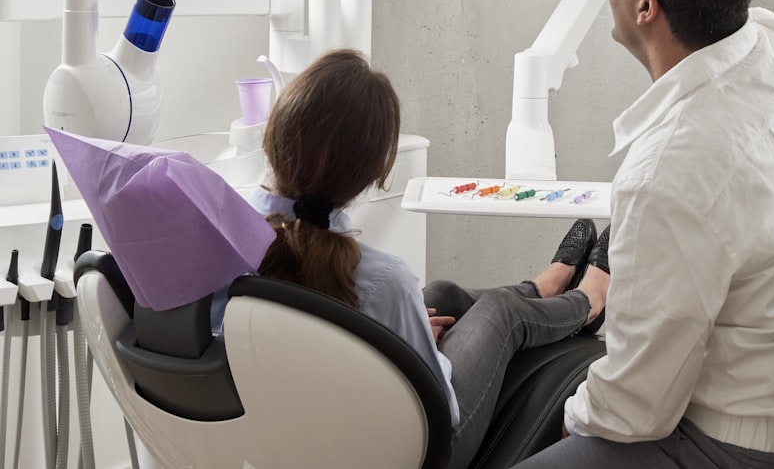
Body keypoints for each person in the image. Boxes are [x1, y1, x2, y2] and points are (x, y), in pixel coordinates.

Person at [483, 0, 774, 468]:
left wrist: (563, 427)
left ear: (646, 6)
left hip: (721, 443)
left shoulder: (671, 172)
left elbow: (633, 411)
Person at [249, 48, 612, 469]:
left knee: (441, 294)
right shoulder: (384, 280)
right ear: (374, 174)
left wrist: (407, 338)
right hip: (418, 452)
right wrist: (423, 355)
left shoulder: (232, 241)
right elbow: (440, 406)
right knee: (499, 312)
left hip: (307, 436)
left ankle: (542, 288)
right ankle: (588, 301)